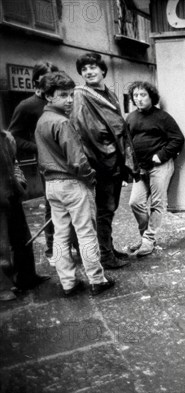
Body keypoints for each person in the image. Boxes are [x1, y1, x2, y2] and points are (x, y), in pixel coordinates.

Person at [35, 71, 114, 297]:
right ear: (49, 96)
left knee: (60, 235)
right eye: (63, 95)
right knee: (86, 232)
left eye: (70, 95)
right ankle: (97, 279)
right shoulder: (62, 122)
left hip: (52, 184)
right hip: (73, 183)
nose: (69, 100)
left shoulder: (42, 121)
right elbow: (77, 161)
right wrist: (90, 177)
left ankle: (68, 282)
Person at [71, 52, 138, 269]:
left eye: (92, 67)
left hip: (114, 160)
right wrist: (108, 158)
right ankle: (105, 256)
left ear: (102, 71)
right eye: (84, 69)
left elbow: (118, 124)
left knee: (109, 209)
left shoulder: (108, 94)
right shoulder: (82, 95)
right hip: (101, 162)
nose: (89, 72)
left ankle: (108, 248)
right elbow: (88, 131)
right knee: (103, 211)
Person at [125, 81, 185, 257]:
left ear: (151, 97)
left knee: (158, 203)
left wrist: (161, 155)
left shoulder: (162, 117)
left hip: (160, 166)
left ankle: (148, 239)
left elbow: (177, 139)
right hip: (140, 168)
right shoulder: (130, 118)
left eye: (143, 95)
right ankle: (146, 237)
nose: (139, 99)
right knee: (135, 202)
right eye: (135, 96)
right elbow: (127, 143)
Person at [8, 62, 59, 259]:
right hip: (47, 163)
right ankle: (52, 249)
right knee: (53, 203)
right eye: (47, 77)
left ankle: (74, 245)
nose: (51, 81)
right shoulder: (27, 106)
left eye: (55, 76)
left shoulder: (58, 100)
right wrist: (38, 147)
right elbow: (14, 137)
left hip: (68, 159)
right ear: (37, 80)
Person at [0, 129, 50, 296]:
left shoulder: (5, 137)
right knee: (2, 245)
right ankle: (5, 286)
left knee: (22, 239)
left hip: (12, 195)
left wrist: (20, 182)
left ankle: (27, 277)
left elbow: (14, 164)